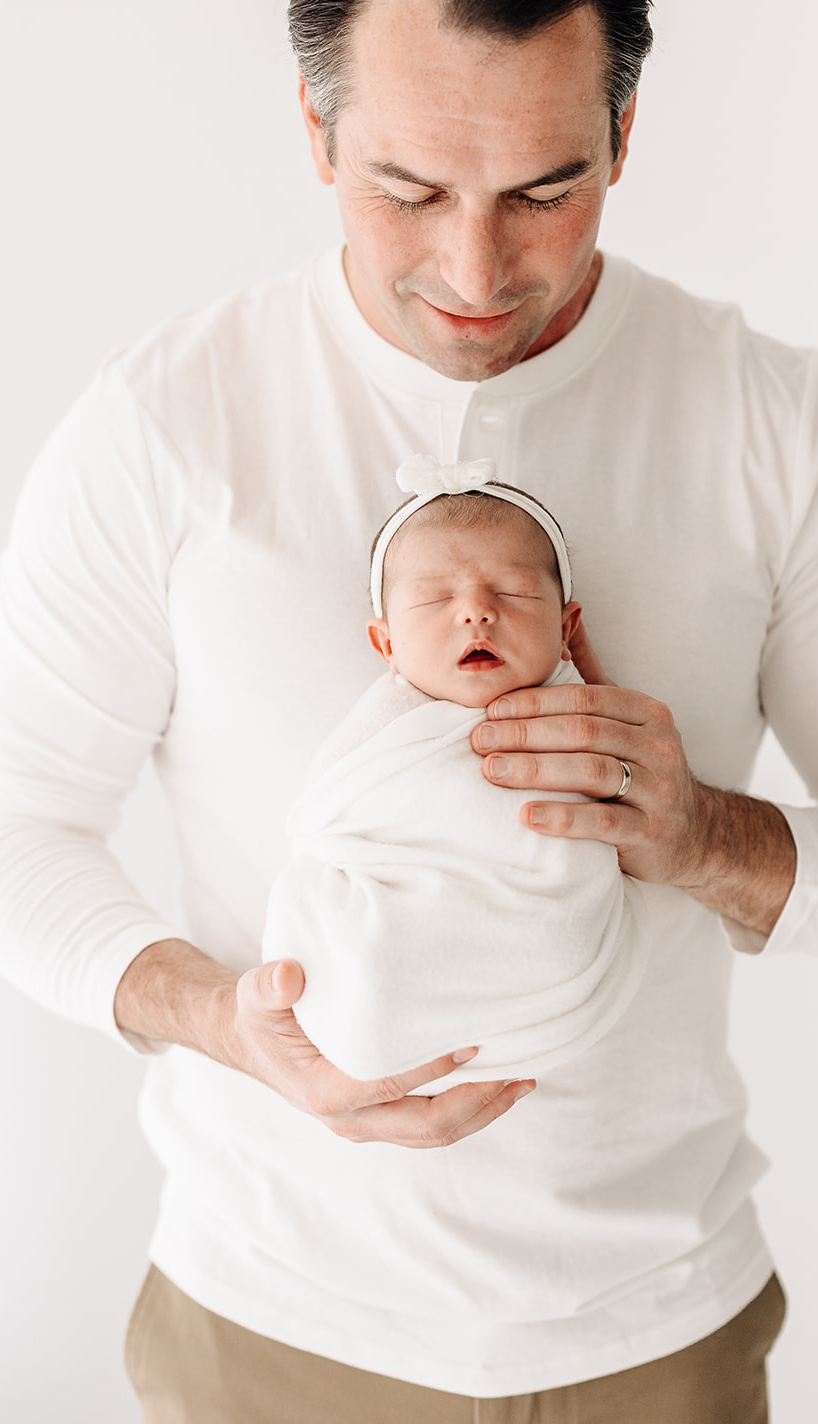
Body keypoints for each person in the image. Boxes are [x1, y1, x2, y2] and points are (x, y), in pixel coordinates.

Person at [0, 0, 818, 1419]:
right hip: (265, 1331)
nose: (475, 270)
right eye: (410, 189)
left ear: (622, 132)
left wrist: (703, 838)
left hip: (655, 1336)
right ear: (317, 138)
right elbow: (4, 842)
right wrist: (224, 1023)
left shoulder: (769, 423)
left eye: (546, 188)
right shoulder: (168, 425)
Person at [262, 455, 649, 1084]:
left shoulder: (587, 719)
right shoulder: (379, 740)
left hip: (549, 963)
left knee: (562, 938)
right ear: (385, 645)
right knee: (323, 915)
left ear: (566, 626)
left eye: (515, 591)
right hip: (395, 947)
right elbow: (323, 824)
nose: (475, 612)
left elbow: (607, 845)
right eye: (436, 599)